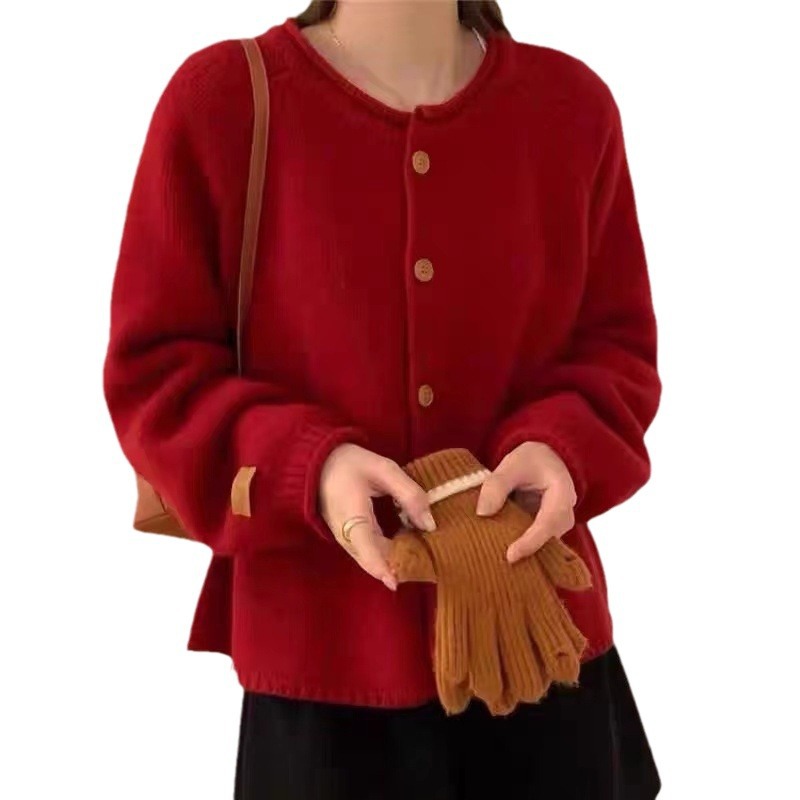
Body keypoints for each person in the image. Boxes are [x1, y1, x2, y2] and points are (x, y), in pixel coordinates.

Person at [103, 1, 663, 797]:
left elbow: (616, 349)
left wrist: (561, 447)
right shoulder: (223, 100)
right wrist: (313, 469)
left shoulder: (572, 107)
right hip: (324, 674)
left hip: (543, 652)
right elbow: (156, 373)